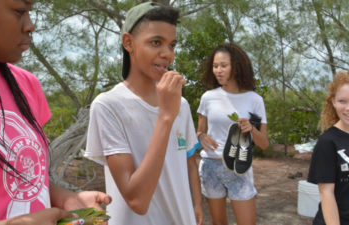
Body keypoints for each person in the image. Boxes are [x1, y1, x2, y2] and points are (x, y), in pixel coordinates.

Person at [0, 1, 111, 225]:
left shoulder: (24, 84)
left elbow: (25, 179)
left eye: (30, 12)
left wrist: (66, 199)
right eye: (19, 12)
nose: (30, 25)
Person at [84, 2, 203, 225]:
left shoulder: (182, 105)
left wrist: (196, 205)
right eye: (156, 42)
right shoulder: (108, 105)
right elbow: (137, 200)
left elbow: (186, 164)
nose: (167, 54)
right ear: (128, 42)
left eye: (172, 45)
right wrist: (166, 116)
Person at [196, 43, 269, 225]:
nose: (218, 70)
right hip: (210, 167)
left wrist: (251, 129)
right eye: (215, 66)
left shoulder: (254, 100)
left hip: (239, 168)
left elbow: (264, 144)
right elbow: (199, 131)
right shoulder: (208, 97)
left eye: (223, 65)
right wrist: (201, 137)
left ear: (236, 67)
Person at [308, 71, 349, 225]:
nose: (347, 108)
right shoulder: (328, 142)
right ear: (333, 102)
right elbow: (326, 193)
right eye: (342, 101)